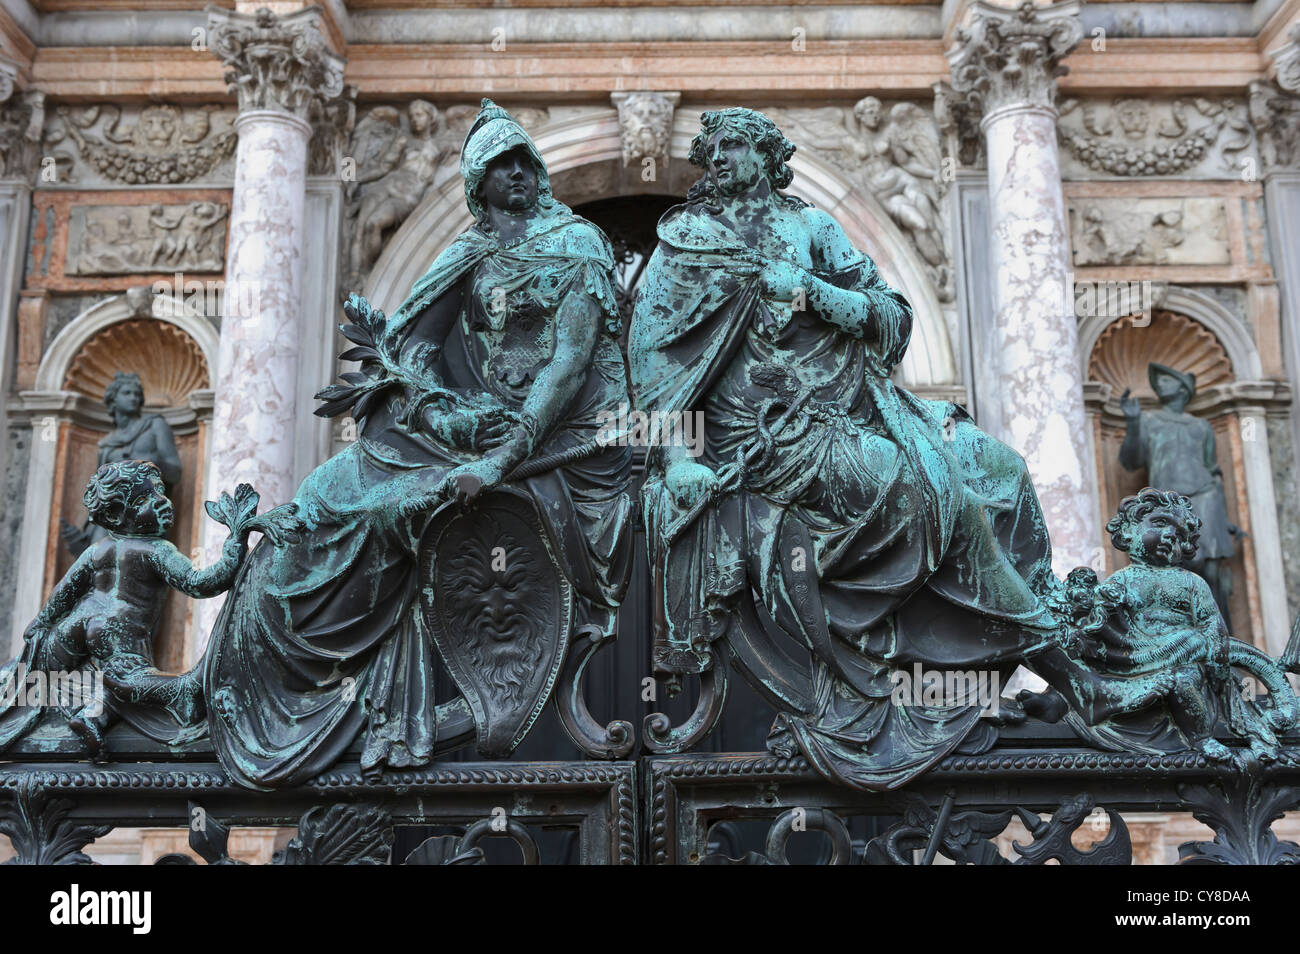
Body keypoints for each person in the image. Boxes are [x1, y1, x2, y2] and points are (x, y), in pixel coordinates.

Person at [629, 107, 1066, 790]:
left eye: (737, 144)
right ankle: (997, 646)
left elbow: (892, 317)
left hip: (856, 401)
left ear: (771, 158)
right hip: (767, 434)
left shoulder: (810, 228)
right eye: (711, 147)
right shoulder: (683, 243)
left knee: (999, 468)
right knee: (906, 482)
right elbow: (655, 362)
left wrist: (809, 295)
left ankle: (1011, 644)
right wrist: (679, 458)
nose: (719, 157)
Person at [204, 100, 634, 790]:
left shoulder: (577, 242)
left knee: (398, 509)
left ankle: (375, 697)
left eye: (526, 160)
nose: (519, 174)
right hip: (476, 427)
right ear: (477, 182)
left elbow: (571, 360)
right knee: (328, 494)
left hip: (564, 437)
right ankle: (283, 679)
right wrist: (440, 409)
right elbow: (415, 347)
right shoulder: (469, 251)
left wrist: (502, 453)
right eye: (502, 164)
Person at [0, 461, 259, 759]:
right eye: (144, 499)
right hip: (117, 630)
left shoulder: (97, 550)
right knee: (125, 678)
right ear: (115, 514)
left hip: (77, 623)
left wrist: (41, 623)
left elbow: (64, 592)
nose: (161, 502)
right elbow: (200, 583)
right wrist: (236, 542)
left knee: (40, 673)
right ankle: (170, 693)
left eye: (160, 493)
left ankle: (59, 705)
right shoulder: (157, 550)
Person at [1119, 362, 1238, 627]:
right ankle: (1184, 637)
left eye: (1167, 379)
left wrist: (1224, 519)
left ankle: (1224, 637)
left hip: (1206, 498)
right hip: (1169, 505)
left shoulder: (1202, 426)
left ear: (1184, 388)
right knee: (1179, 568)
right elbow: (1131, 460)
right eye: (1158, 380)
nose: (1160, 384)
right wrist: (1132, 421)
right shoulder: (1149, 421)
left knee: (1212, 571)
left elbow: (1213, 470)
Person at [60, 371, 182, 556]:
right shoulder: (106, 445)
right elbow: (98, 492)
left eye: (137, 394)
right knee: (98, 556)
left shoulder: (155, 425)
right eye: (127, 393)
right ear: (113, 399)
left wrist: (142, 467)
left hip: (145, 509)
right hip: (114, 513)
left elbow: (175, 472)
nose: (134, 398)